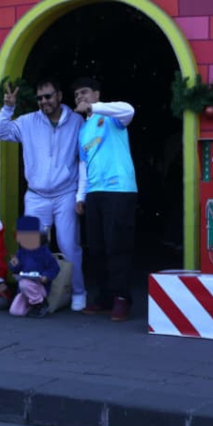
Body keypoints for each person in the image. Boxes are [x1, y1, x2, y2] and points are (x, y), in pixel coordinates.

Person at [0, 77, 87, 310]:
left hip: (65, 193)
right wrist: (8, 107)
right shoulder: (27, 121)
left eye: (48, 96)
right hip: (36, 195)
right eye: (40, 98)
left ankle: (78, 292)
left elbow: (85, 158)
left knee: (68, 245)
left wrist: (80, 195)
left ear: (59, 96)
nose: (44, 101)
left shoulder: (77, 121)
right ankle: (33, 295)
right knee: (31, 246)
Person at [73, 77, 138, 322]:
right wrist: (80, 196)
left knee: (117, 245)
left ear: (97, 94)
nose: (80, 97)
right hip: (94, 193)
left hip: (119, 190)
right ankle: (104, 298)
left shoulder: (112, 116)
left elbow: (129, 110)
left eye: (85, 92)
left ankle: (122, 298)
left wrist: (94, 107)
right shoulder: (82, 130)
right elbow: (83, 165)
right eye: (76, 95)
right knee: (97, 248)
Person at [8, 215, 61, 318]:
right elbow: (16, 270)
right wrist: (14, 264)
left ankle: (40, 303)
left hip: (39, 286)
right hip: (24, 289)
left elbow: (54, 267)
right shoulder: (21, 252)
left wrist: (46, 276)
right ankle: (33, 305)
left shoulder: (44, 252)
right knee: (15, 311)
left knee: (24, 283)